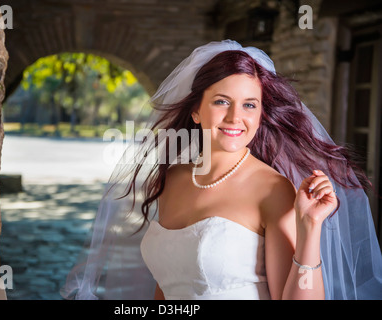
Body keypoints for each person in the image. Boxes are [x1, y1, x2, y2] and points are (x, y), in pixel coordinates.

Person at [61, 40, 382, 300]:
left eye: (249, 104)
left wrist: (310, 228)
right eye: (221, 102)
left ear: (260, 114)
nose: (235, 118)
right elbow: (167, 284)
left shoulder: (273, 190)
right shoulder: (172, 179)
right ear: (197, 111)